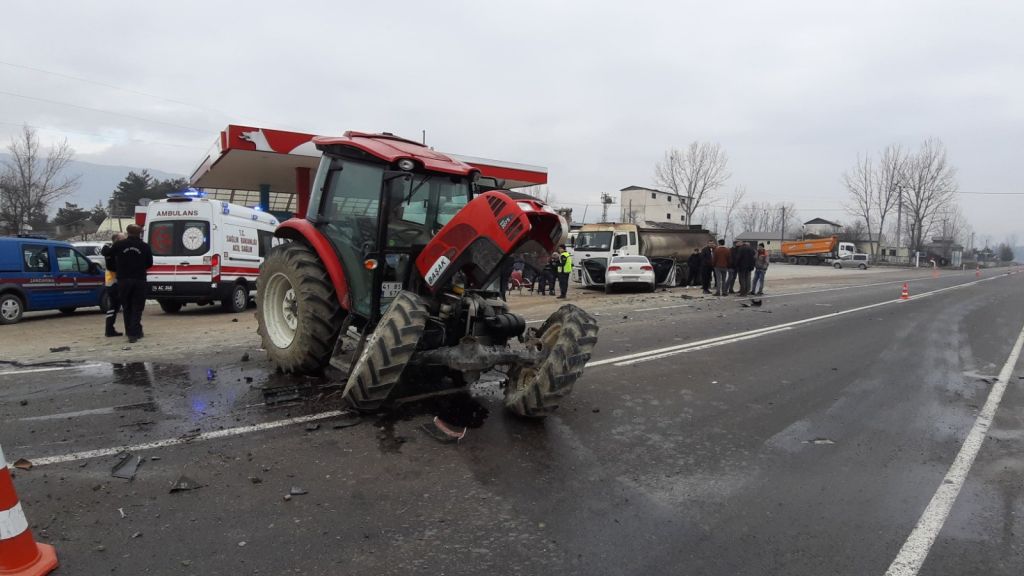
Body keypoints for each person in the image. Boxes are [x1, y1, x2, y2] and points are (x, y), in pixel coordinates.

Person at [110, 224, 153, 343]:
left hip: (123, 280)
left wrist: (118, 267)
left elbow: (108, 254)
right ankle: (135, 332)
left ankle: (130, 331)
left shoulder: (119, 245)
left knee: (127, 306)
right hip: (139, 279)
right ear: (139, 233)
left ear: (127, 232)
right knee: (137, 307)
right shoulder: (144, 246)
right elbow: (149, 263)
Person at [100, 233, 125, 337]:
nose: (125, 241)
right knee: (113, 307)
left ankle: (110, 329)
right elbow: (112, 266)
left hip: (113, 281)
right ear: (117, 240)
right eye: (123, 239)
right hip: (113, 282)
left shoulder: (110, 250)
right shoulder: (111, 251)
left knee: (114, 307)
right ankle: (109, 329)